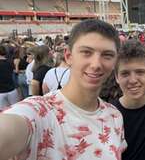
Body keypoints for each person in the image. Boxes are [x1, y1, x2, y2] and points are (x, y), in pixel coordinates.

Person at [0, 19, 126, 160]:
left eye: (107, 55)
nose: (96, 64)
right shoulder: (39, 111)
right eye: (86, 52)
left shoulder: (114, 116)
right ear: (68, 56)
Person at [0, 45, 19, 110]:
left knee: (3, 114)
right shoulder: (10, 61)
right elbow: (15, 71)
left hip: (1, 92)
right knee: (16, 110)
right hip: (12, 90)